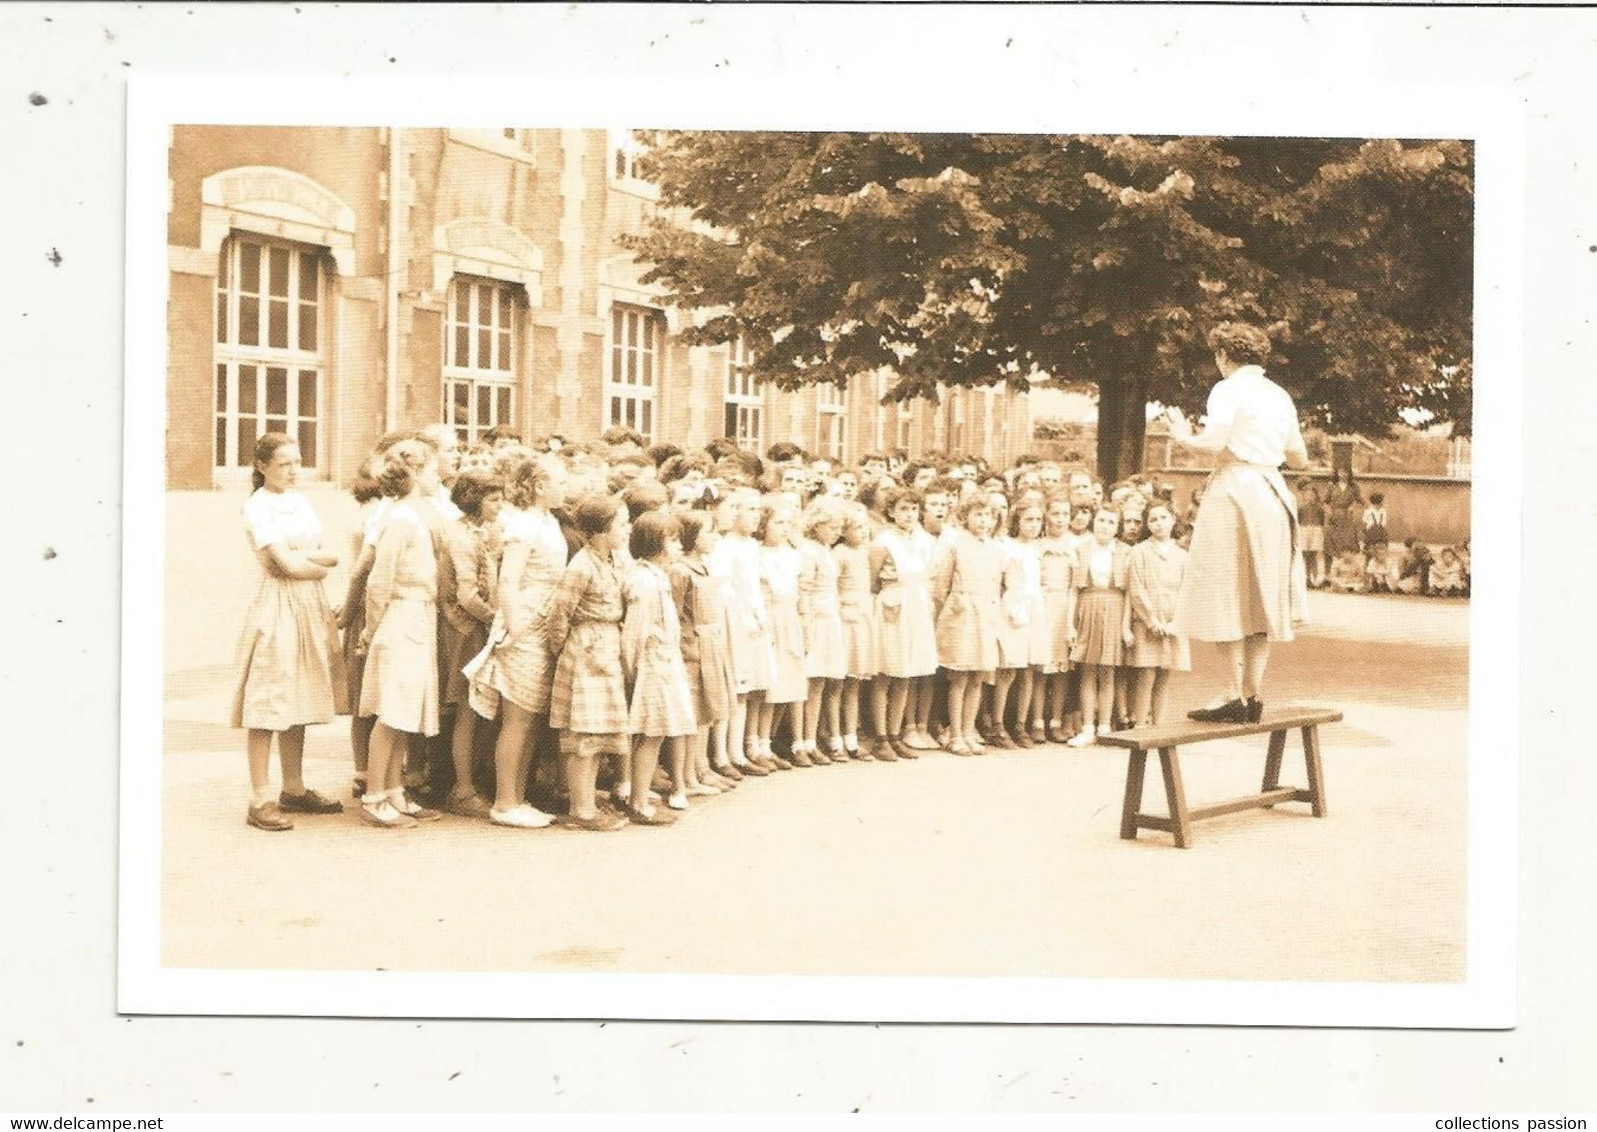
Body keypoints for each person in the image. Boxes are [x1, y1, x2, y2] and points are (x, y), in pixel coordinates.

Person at [1166, 321, 1309, 724]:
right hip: (1272, 492)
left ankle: (1232, 693)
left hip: (1235, 490)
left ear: (1224, 356)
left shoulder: (1227, 389)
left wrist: (1182, 436)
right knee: (1261, 595)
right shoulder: (1279, 395)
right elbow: (1300, 459)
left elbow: (1212, 442)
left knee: (1225, 589)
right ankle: (1253, 694)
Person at [231, 433, 346, 832]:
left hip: (309, 605)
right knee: (268, 701)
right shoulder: (257, 507)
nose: (294, 471)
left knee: (298, 696)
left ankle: (293, 788)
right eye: (284, 464)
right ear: (262, 466)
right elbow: (283, 567)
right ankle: (260, 796)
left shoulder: (299, 501)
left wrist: (304, 561)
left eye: (298, 462)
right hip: (278, 606)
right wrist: (309, 563)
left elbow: (330, 554)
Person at [465, 455, 569, 829]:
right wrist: (517, 625)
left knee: (531, 718)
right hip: (525, 622)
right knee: (517, 718)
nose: (565, 486)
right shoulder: (523, 525)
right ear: (540, 485)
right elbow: (508, 581)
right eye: (560, 480)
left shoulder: (548, 521)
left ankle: (518, 796)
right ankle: (505, 802)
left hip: (544, 620)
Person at [357, 440, 446, 828]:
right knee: (392, 710)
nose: (438, 477)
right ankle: (375, 795)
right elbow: (380, 580)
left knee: (406, 706)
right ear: (414, 474)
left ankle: (394, 790)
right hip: (402, 615)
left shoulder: (414, 516)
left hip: (418, 615)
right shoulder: (400, 519)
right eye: (432, 471)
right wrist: (370, 628)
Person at [545, 494, 633, 831]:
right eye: (621, 525)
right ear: (600, 530)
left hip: (606, 648)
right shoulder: (581, 566)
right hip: (587, 652)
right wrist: (567, 652)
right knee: (584, 736)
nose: (627, 531)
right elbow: (559, 615)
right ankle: (580, 810)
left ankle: (588, 802)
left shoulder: (611, 560)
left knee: (599, 734)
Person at [620, 511, 695, 823]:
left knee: (658, 733)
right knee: (650, 734)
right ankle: (638, 802)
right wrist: (634, 671)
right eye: (672, 540)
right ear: (655, 544)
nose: (679, 546)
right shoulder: (644, 581)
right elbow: (634, 634)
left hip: (665, 662)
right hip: (653, 665)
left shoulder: (657, 577)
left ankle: (640, 797)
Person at [438, 470, 503, 818]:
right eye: (493, 499)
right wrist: (494, 617)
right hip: (465, 629)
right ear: (475, 500)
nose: (500, 506)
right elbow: (465, 593)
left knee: (478, 708)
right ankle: (461, 787)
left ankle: (471, 778)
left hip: (477, 626)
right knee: (467, 707)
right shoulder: (461, 536)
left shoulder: (482, 532)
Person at [668, 510, 738, 800]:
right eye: (708, 531)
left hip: (711, 643)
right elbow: (674, 612)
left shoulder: (703, 565)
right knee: (692, 714)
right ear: (691, 537)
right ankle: (685, 778)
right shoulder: (680, 570)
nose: (714, 537)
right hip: (692, 648)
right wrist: (687, 646)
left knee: (707, 711)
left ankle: (700, 768)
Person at [868, 486, 939, 760]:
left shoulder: (926, 541)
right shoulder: (883, 542)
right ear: (891, 511)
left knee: (907, 673)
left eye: (913, 509)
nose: (909, 515)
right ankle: (880, 737)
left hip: (917, 606)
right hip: (892, 605)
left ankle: (896, 734)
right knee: (886, 671)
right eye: (903, 509)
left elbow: (930, 575)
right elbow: (873, 581)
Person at [931, 496, 1003, 756]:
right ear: (965, 516)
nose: (983, 521)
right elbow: (941, 587)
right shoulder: (955, 545)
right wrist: (955, 606)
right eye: (978, 515)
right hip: (962, 615)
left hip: (985, 614)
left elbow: (995, 585)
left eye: (988, 516)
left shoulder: (994, 548)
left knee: (977, 677)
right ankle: (956, 734)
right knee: (960, 676)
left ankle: (969, 730)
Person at [1066, 507, 1134, 747]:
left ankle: (1105, 726)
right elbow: (1074, 589)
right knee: (1088, 670)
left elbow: (1128, 594)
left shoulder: (1125, 552)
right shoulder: (1081, 549)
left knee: (1108, 670)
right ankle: (1087, 728)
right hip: (1088, 607)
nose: (1105, 526)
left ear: (1117, 527)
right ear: (1094, 522)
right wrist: (1069, 625)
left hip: (1114, 607)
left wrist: (1126, 626)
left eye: (1111, 522)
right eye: (1101, 520)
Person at [1127, 502, 1191, 726]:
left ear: (1173, 519)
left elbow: (1187, 591)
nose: (1159, 523)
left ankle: (1159, 725)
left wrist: (1175, 622)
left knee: (1164, 675)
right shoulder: (1139, 552)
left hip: (1172, 623)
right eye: (1153, 520)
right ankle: (1140, 724)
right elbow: (1136, 589)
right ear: (1147, 524)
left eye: (1163, 518)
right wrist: (1151, 621)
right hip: (1148, 624)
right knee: (1146, 675)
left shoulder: (1182, 556)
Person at [797, 498, 848, 762]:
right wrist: (807, 625)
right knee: (813, 682)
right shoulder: (809, 551)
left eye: (839, 526)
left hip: (830, 619)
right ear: (816, 525)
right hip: (816, 620)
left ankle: (817, 737)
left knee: (826, 681)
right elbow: (804, 590)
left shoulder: (825, 550)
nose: (836, 531)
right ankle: (806, 741)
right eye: (831, 525)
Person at [832, 504, 877, 759]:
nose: (862, 531)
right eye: (856, 527)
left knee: (854, 683)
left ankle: (851, 736)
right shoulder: (840, 553)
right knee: (838, 682)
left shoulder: (864, 552)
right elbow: (833, 587)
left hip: (861, 617)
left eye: (864, 526)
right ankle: (834, 738)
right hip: (844, 618)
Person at [1036, 495, 1078, 742]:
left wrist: (1071, 622)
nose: (1060, 519)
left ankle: (1056, 720)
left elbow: (1074, 588)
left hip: (1064, 608)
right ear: (1047, 516)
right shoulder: (1039, 545)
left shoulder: (1075, 546)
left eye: (1065, 514)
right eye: (1055, 514)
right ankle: (1037, 721)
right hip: (1041, 606)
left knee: (1061, 670)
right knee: (1042, 668)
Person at [1296, 478, 1327, 588]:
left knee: (1313, 556)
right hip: (1304, 531)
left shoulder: (1319, 509)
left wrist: (1319, 532)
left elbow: (1321, 522)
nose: (1310, 497)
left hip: (1315, 531)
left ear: (1315, 496)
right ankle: (1305, 578)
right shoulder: (1300, 508)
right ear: (1304, 496)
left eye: (1312, 495)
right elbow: (1298, 522)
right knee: (1304, 556)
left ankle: (1315, 580)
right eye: (1308, 495)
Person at [1363, 492, 1392, 593]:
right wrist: (1365, 541)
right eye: (1381, 502)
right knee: (1369, 558)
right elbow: (1366, 525)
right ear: (1377, 502)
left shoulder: (1383, 512)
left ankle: (1379, 582)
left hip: (1380, 535)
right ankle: (1368, 582)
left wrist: (1384, 540)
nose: (1381, 504)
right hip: (1371, 536)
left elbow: (1383, 525)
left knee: (1380, 557)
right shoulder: (1368, 511)